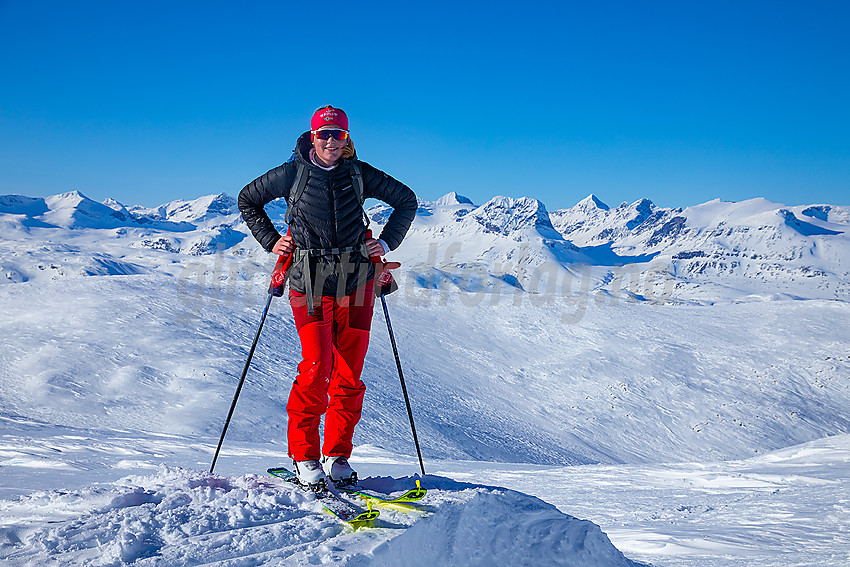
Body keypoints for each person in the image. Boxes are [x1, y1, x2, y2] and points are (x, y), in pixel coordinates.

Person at [238, 105, 417, 490]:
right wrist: (271, 241)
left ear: (347, 138)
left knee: (349, 374)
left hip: (357, 282)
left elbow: (407, 200)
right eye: (325, 134)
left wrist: (384, 242)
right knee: (316, 368)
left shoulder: (360, 173)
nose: (331, 142)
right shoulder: (292, 173)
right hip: (309, 281)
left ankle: (337, 456)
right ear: (313, 136)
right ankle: (304, 456)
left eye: (338, 135)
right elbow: (247, 200)